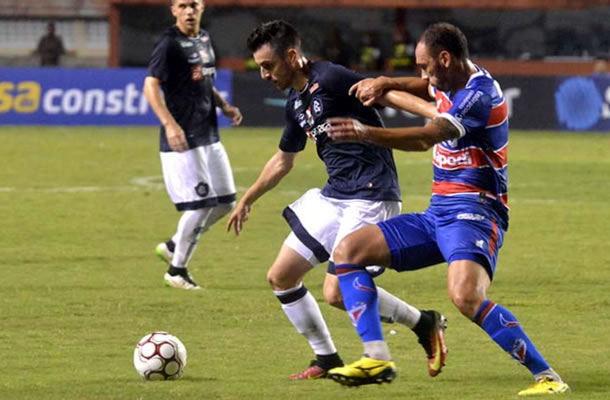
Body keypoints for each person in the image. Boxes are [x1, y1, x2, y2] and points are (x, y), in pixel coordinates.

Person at [324, 23, 570, 396]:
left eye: (425, 65)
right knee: (348, 252)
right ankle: (376, 356)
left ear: (445, 58)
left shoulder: (478, 95)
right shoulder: (450, 81)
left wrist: (366, 132)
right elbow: (427, 88)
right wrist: (386, 82)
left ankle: (549, 377)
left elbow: (425, 137)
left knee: (465, 297)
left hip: (476, 210)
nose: (422, 74)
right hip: (437, 213)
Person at [227, 19, 446, 381]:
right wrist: (248, 198)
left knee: (336, 292)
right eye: (260, 67)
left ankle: (422, 323)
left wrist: (436, 116)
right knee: (281, 277)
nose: (264, 74)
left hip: (371, 194)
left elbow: (384, 93)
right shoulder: (297, 100)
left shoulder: (330, 78)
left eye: (268, 65)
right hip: (336, 195)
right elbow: (284, 158)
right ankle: (326, 358)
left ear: (293, 56)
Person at [143, 0, 242, 290]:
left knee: (226, 202)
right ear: (173, 10)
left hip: (209, 132)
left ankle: (175, 244)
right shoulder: (168, 44)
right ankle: (177, 270)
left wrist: (224, 105)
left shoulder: (204, 39)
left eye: (194, 5)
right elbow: (150, 85)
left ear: (203, 8)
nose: (189, 11)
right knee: (200, 206)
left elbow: (204, 81)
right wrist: (169, 124)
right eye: (183, 5)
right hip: (184, 137)